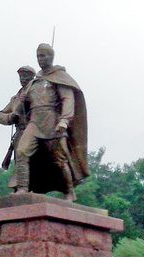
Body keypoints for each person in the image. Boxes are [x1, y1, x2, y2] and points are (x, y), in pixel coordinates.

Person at [11, 43, 89, 201]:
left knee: (59, 160)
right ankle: (23, 188)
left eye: (43, 55)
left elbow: (67, 99)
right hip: (34, 123)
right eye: (38, 56)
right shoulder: (34, 82)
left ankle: (69, 191)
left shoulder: (59, 77)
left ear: (51, 57)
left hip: (52, 123)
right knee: (21, 151)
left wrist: (64, 120)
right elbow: (22, 105)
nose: (40, 59)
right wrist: (21, 103)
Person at [0, 65, 36, 190]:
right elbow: (0, 115)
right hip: (20, 133)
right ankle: (20, 187)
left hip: (35, 132)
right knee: (20, 161)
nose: (23, 79)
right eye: (21, 76)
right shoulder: (15, 99)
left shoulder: (38, 93)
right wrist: (10, 117)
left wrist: (29, 99)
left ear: (32, 78)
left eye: (26, 76)